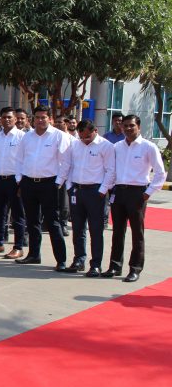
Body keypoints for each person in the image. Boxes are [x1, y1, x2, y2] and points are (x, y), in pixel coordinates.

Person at [102, 115, 167, 282]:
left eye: (131, 125)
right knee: (117, 231)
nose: (128, 129)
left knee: (137, 233)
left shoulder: (148, 147)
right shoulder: (117, 147)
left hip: (137, 193)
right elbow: (111, 169)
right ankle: (115, 266)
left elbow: (160, 173)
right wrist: (108, 188)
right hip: (118, 192)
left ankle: (135, 268)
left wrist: (148, 192)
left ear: (139, 126)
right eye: (125, 126)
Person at [15, 105, 72, 271]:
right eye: (37, 117)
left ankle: (61, 260)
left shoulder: (59, 136)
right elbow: (19, 159)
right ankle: (34, 254)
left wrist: (58, 182)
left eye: (43, 117)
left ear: (50, 119)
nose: (40, 120)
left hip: (50, 184)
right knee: (32, 221)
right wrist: (20, 180)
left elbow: (65, 162)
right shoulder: (27, 137)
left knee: (53, 222)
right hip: (28, 183)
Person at [64, 119, 116, 277]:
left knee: (95, 230)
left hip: (95, 191)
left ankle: (96, 264)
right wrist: (69, 187)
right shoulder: (75, 145)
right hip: (77, 190)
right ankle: (79, 260)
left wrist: (102, 190)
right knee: (78, 228)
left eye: (87, 137)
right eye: (81, 137)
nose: (84, 140)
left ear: (95, 131)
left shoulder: (106, 146)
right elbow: (69, 166)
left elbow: (111, 170)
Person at [0, 107, 26, 259]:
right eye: (4, 117)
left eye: (9, 117)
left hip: (15, 180)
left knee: (17, 215)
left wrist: (22, 183)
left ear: (15, 119)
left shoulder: (22, 137)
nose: (6, 120)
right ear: (0, 119)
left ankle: (18, 247)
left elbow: (25, 161)